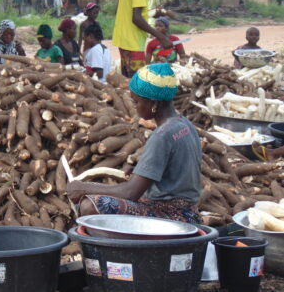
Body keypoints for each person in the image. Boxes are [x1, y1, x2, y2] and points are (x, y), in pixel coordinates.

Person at [67, 63, 202, 224]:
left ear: (153, 104)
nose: (134, 106)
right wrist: (142, 170)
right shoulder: (184, 125)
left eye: (136, 101)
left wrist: (84, 188)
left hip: (173, 216)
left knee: (90, 206)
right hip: (189, 210)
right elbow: (176, 169)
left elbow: (131, 193)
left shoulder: (162, 135)